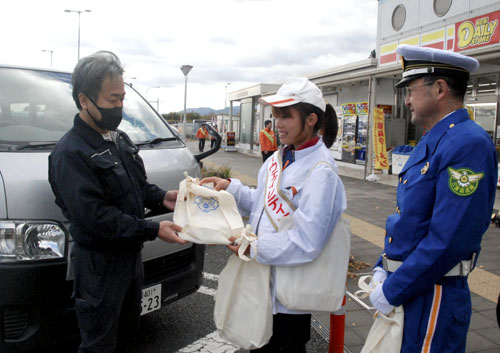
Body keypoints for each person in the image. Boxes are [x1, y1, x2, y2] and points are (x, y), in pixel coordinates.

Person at [48, 51, 187, 353]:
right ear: (85, 100)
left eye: (123, 97)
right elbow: (95, 218)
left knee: (128, 337)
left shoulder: (119, 139)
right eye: (112, 100)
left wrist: (164, 197)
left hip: (130, 261)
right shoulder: (70, 153)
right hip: (98, 268)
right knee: (99, 345)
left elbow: (137, 187)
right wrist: (152, 230)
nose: (120, 106)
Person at [200, 77, 347, 352]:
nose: (278, 123)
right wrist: (231, 189)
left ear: (312, 119)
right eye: (276, 115)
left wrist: (252, 246)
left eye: (286, 116)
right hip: (262, 286)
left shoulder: (322, 172)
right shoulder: (277, 159)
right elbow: (262, 205)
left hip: (290, 299)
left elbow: (307, 241)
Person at [368, 44, 497, 352]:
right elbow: (412, 221)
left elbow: (449, 239)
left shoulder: (467, 144)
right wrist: (382, 265)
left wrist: (393, 289)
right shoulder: (436, 139)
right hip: (416, 287)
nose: (407, 99)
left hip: (434, 294)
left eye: (411, 90)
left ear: (439, 88)